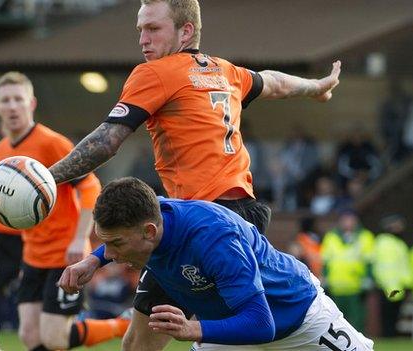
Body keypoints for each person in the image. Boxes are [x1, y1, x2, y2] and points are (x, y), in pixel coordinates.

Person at [47, 1, 341, 349]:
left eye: (153, 29)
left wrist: (46, 180)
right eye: (140, 29)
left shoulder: (155, 73)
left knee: (146, 343)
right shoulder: (224, 71)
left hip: (198, 226)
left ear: (186, 32)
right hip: (241, 216)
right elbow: (273, 83)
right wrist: (315, 86)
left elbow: (107, 141)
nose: (143, 39)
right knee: (154, 339)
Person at [58, 177, 374, 350]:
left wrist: (191, 328)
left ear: (150, 232)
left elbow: (261, 325)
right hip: (228, 332)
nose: (110, 255)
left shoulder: (215, 240)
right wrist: (91, 260)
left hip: (295, 318)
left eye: (115, 245)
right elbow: (118, 241)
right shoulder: (151, 217)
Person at [0, 71, 128, 351]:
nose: (12, 106)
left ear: (31, 104)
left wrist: (79, 238)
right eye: (5, 100)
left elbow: (90, 187)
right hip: (32, 255)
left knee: (55, 338)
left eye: (18, 99)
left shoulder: (51, 143)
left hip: (63, 253)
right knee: (30, 337)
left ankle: (122, 325)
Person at [321, 209, 374, 332]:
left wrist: (369, 278)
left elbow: (369, 260)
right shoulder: (331, 237)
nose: (348, 223)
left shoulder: (365, 237)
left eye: (351, 219)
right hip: (336, 286)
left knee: (357, 320)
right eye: (345, 219)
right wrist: (324, 277)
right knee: (336, 320)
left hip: (357, 287)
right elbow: (326, 261)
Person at [372, 214, 413, 337]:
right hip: (387, 286)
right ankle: (388, 336)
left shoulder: (398, 243)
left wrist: (408, 283)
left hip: (397, 286)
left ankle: (391, 336)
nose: (400, 228)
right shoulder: (383, 242)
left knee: (394, 316)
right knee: (388, 316)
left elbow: (403, 266)